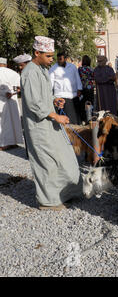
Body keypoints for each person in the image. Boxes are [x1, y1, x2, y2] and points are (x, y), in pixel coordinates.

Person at [21, 36, 82, 210]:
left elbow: (43, 96)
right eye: (48, 56)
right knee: (46, 162)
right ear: (37, 53)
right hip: (39, 125)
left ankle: (64, 193)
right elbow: (34, 103)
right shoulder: (30, 72)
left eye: (52, 56)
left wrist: (55, 100)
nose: (51, 60)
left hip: (49, 122)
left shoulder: (41, 69)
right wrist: (56, 116)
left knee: (64, 157)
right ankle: (48, 201)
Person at [49, 52, 83, 125]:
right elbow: (50, 83)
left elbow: (77, 78)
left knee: (75, 119)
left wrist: (79, 89)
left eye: (60, 59)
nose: (59, 61)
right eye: (58, 59)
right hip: (61, 97)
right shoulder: (53, 69)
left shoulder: (72, 67)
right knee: (66, 121)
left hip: (73, 96)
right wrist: (51, 95)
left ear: (65, 59)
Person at [0, 57, 23, 150]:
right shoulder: (13, 73)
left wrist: (5, 93)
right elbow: (20, 87)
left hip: (2, 101)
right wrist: (12, 93)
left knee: (3, 122)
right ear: (6, 64)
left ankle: (4, 143)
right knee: (15, 121)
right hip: (13, 100)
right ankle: (14, 142)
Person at [77, 55, 95, 122]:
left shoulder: (80, 69)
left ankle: (83, 118)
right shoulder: (91, 69)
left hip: (82, 88)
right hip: (90, 88)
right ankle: (90, 118)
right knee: (90, 103)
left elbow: (78, 78)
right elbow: (93, 77)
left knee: (83, 104)